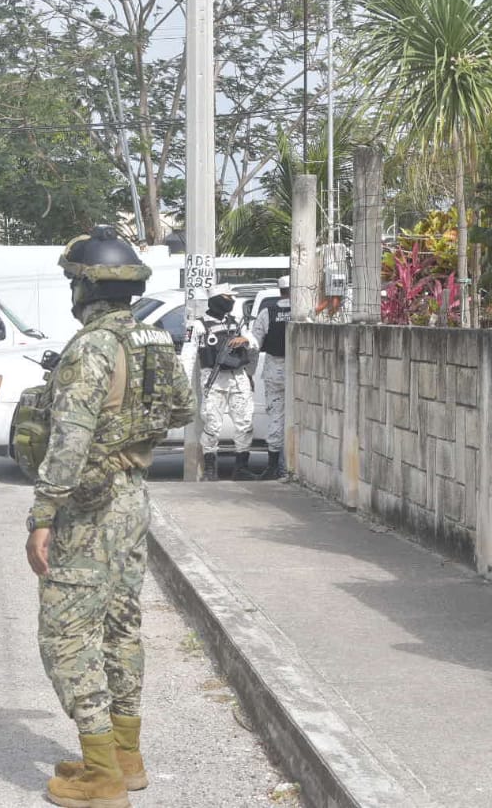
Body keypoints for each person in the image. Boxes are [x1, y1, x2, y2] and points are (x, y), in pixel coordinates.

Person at [18, 226, 194, 808]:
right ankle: (126, 756)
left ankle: (101, 776)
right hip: (132, 499)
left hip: (89, 508)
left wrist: (43, 515)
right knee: (121, 626)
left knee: (66, 634)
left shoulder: (91, 346)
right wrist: (132, 431)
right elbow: (184, 408)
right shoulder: (154, 338)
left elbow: (69, 440)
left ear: (85, 288)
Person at [180, 283, 256, 480]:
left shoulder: (236, 322)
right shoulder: (197, 326)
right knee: (212, 425)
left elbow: (254, 343)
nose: (232, 301)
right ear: (216, 300)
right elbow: (188, 357)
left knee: (244, 423)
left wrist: (244, 340)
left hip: (238, 378)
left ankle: (241, 468)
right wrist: (185, 385)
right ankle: (210, 469)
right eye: (228, 298)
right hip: (213, 380)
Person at [249, 275, 291, 479]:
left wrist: (249, 373)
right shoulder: (303, 311)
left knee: (276, 416)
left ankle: (274, 466)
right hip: (299, 371)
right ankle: (291, 465)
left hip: (274, 370)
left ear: (280, 290)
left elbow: (254, 345)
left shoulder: (267, 312)